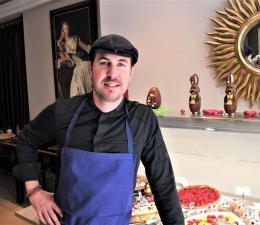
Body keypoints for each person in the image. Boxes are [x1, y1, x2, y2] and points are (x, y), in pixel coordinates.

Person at [13, 34, 184, 225]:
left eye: (121, 64)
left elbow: (164, 185)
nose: (112, 73)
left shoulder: (142, 119)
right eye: (104, 63)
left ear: (130, 73)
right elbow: (25, 140)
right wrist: (34, 192)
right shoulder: (63, 111)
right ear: (90, 68)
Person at [56, 21, 92, 99]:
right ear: (62, 31)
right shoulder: (63, 46)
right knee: (77, 72)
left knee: (80, 69)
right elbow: (71, 63)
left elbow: (87, 48)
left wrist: (95, 52)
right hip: (77, 67)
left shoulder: (75, 39)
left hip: (84, 63)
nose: (66, 31)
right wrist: (64, 62)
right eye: (64, 29)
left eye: (67, 28)